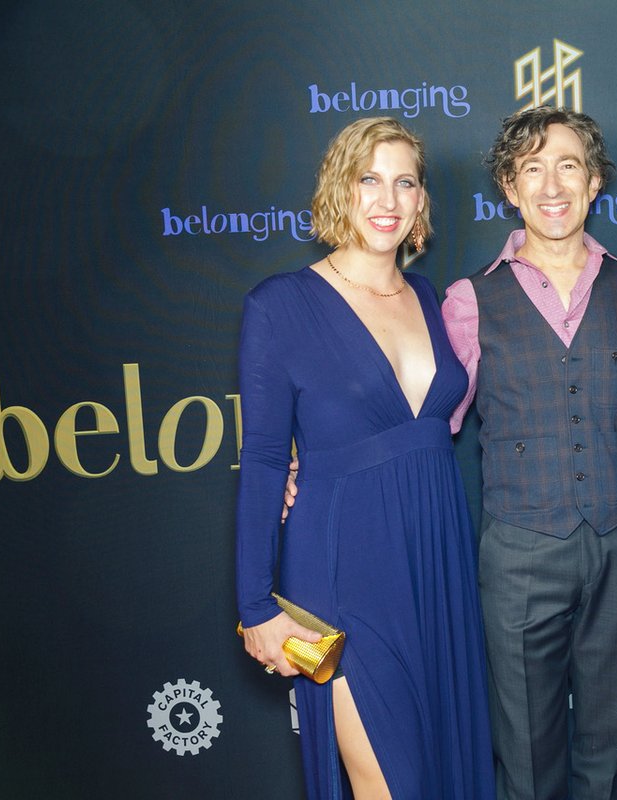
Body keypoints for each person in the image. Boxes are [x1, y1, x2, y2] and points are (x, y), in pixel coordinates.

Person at [236, 117, 494, 800]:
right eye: (368, 179)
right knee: (389, 780)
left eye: (404, 181)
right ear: (338, 190)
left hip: (437, 559)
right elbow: (264, 457)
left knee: (444, 770)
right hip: (343, 566)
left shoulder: (431, 299)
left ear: (420, 202)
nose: (387, 198)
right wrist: (255, 605)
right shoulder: (280, 305)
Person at [441, 106, 617, 800]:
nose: (551, 184)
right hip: (521, 548)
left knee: (614, 741)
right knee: (526, 753)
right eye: (532, 167)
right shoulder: (469, 301)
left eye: (568, 164)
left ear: (595, 183)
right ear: (509, 185)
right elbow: (425, 420)